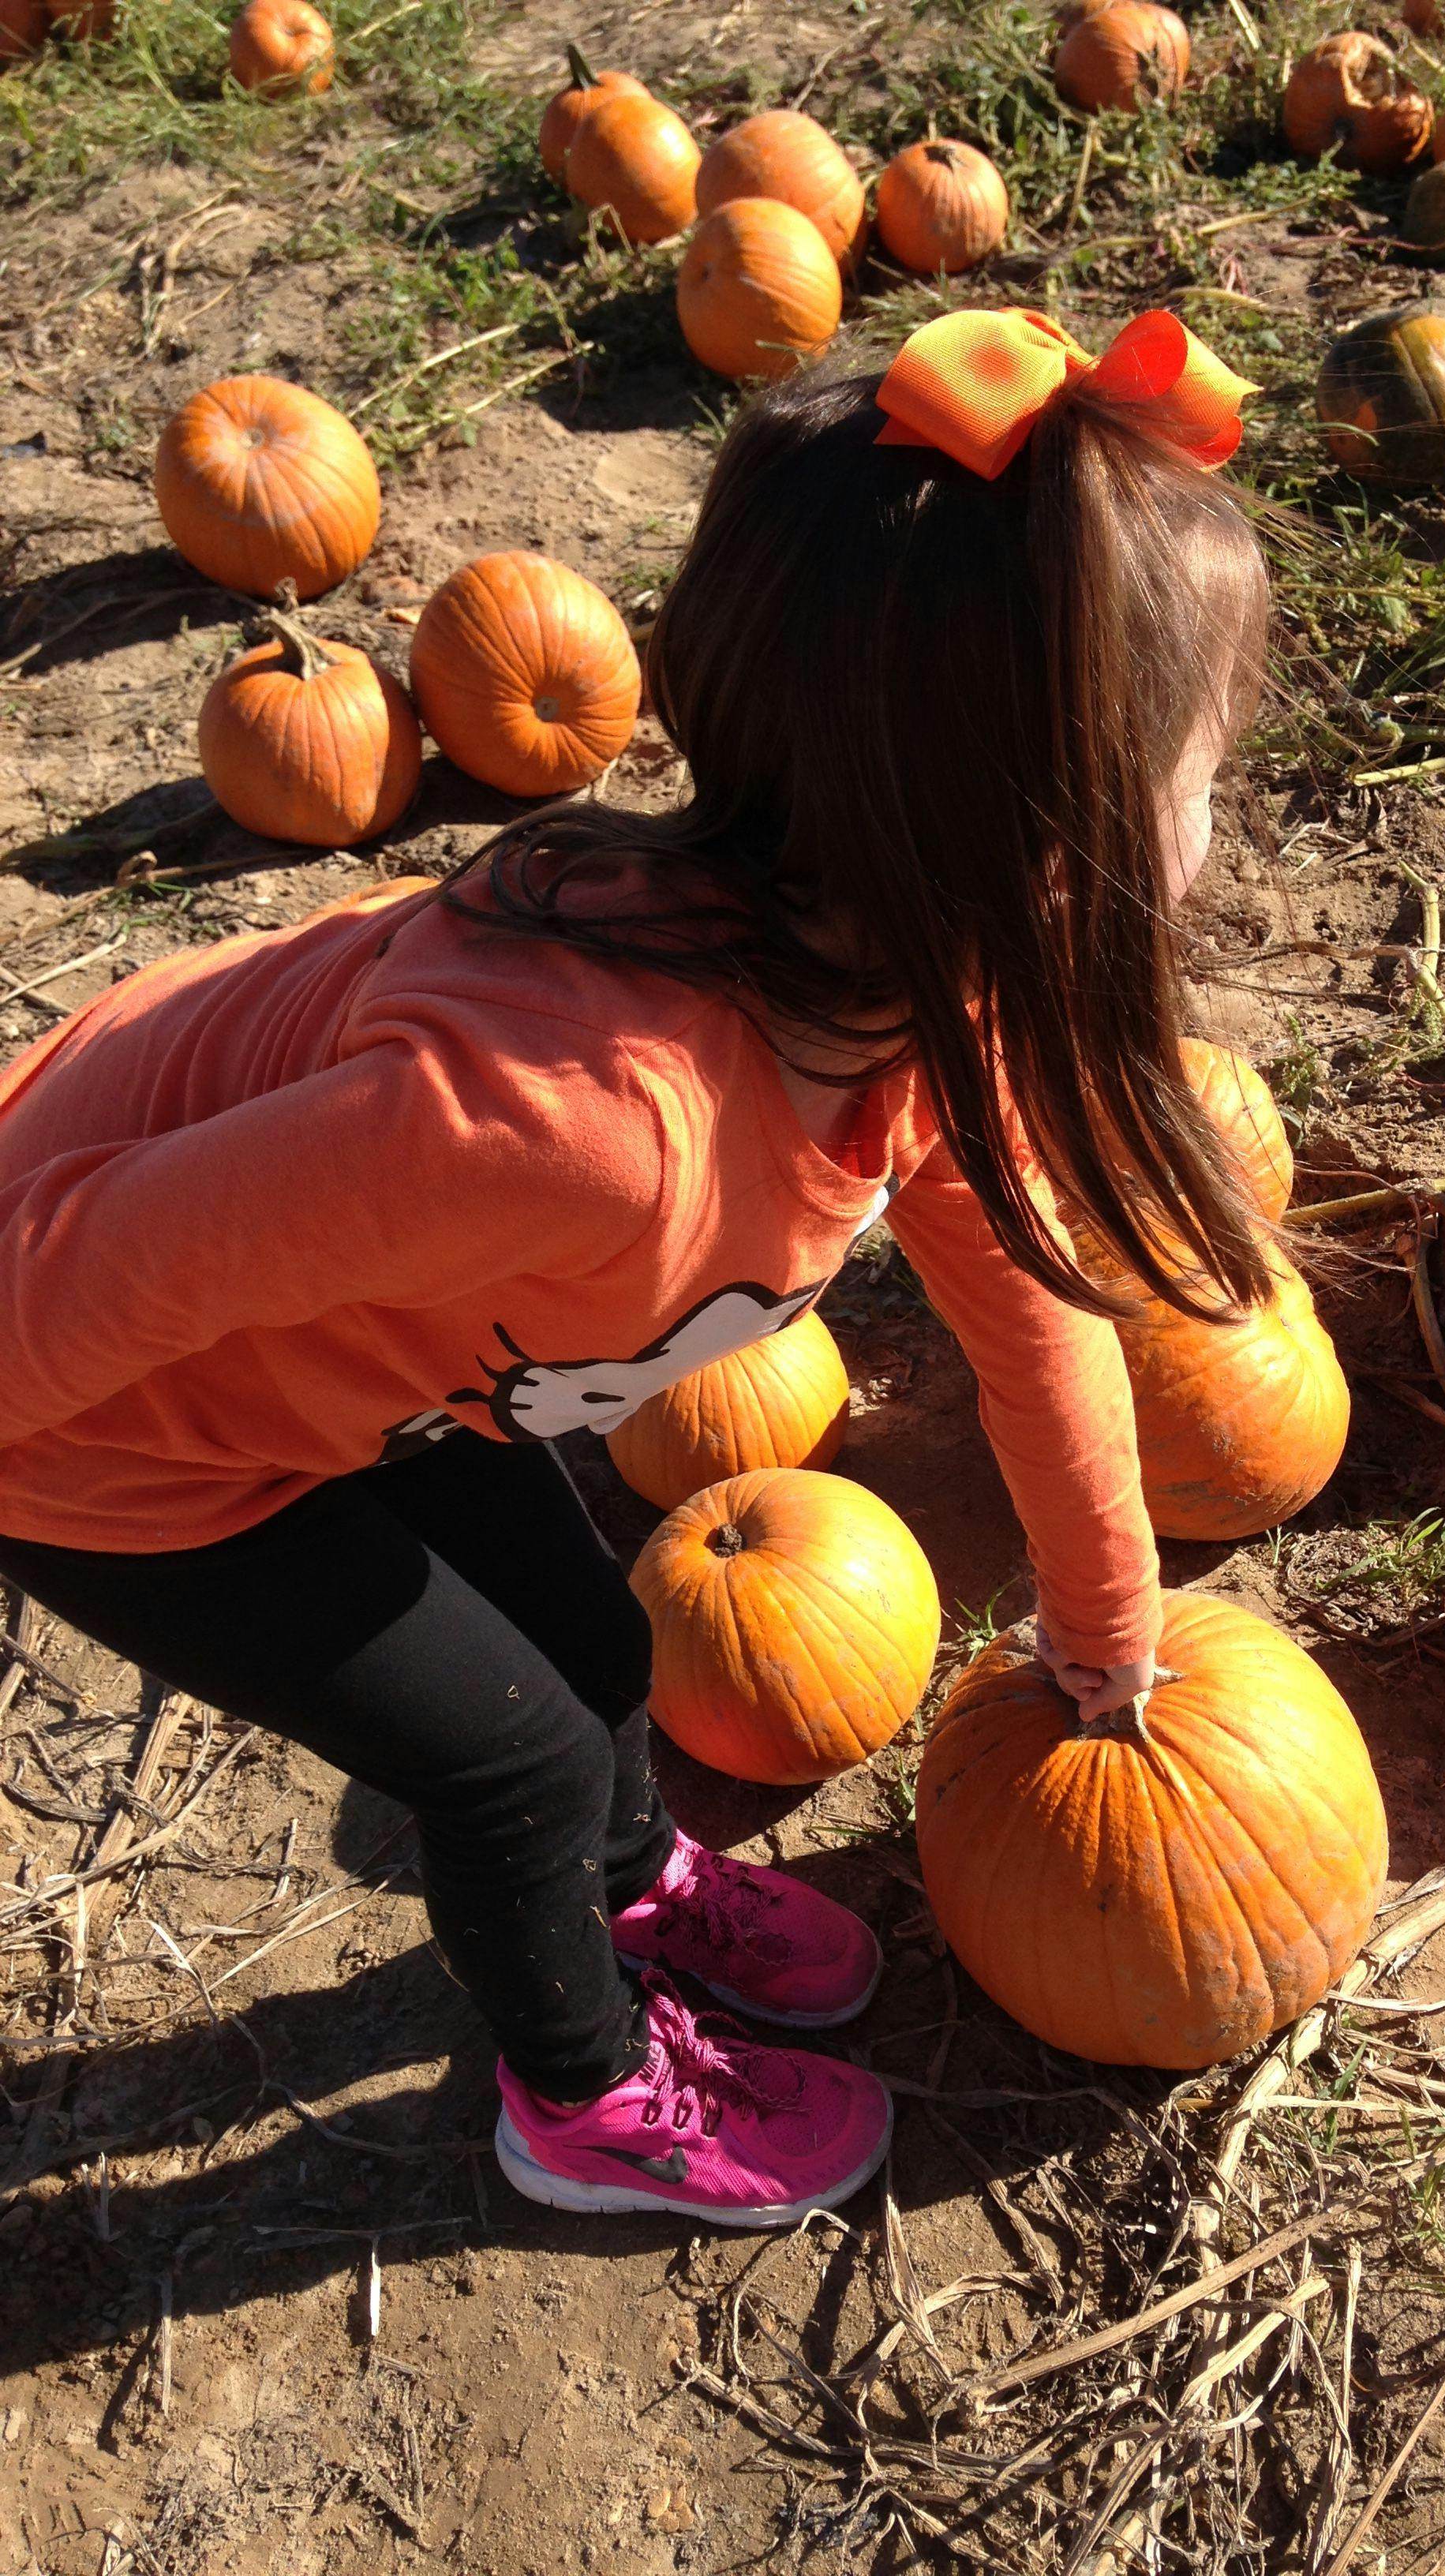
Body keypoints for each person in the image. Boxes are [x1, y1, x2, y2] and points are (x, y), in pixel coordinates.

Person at [0, 307, 1272, 2230]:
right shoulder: (559, 1127)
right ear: (1041, 836)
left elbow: (1033, 1316)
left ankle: (631, 1882)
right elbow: (70, 1274)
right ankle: (581, 2102)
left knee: (599, 1653)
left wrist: (1106, 1617)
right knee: (504, 1764)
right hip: (115, 1449)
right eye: (1201, 769)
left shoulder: (931, 1009)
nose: (1218, 813)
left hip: (360, 1367)